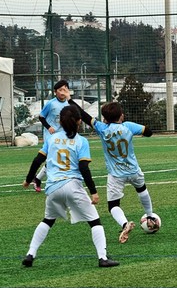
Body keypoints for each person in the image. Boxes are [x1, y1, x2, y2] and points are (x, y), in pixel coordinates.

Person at [21, 104, 119, 268]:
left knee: (48, 220)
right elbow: (83, 168)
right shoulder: (81, 141)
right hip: (73, 186)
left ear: (60, 121)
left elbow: (37, 160)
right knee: (94, 221)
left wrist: (28, 180)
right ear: (79, 121)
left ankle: (30, 254)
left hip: (53, 188)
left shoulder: (52, 139)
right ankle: (103, 258)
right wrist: (93, 191)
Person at [88, 101, 157, 243]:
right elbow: (148, 132)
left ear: (105, 118)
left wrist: (70, 100)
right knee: (141, 189)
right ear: (121, 116)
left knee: (113, 205)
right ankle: (150, 216)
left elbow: (85, 116)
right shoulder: (128, 126)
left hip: (116, 175)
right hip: (133, 170)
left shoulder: (102, 128)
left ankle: (125, 224)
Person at [32, 79, 74, 192]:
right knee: (53, 158)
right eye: (60, 90)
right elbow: (41, 117)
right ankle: (45, 180)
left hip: (63, 136)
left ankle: (38, 179)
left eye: (65, 89)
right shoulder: (51, 103)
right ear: (55, 92)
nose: (63, 92)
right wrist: (49, 127)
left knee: (58, 158)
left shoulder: (69, 104)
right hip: (51, 135)